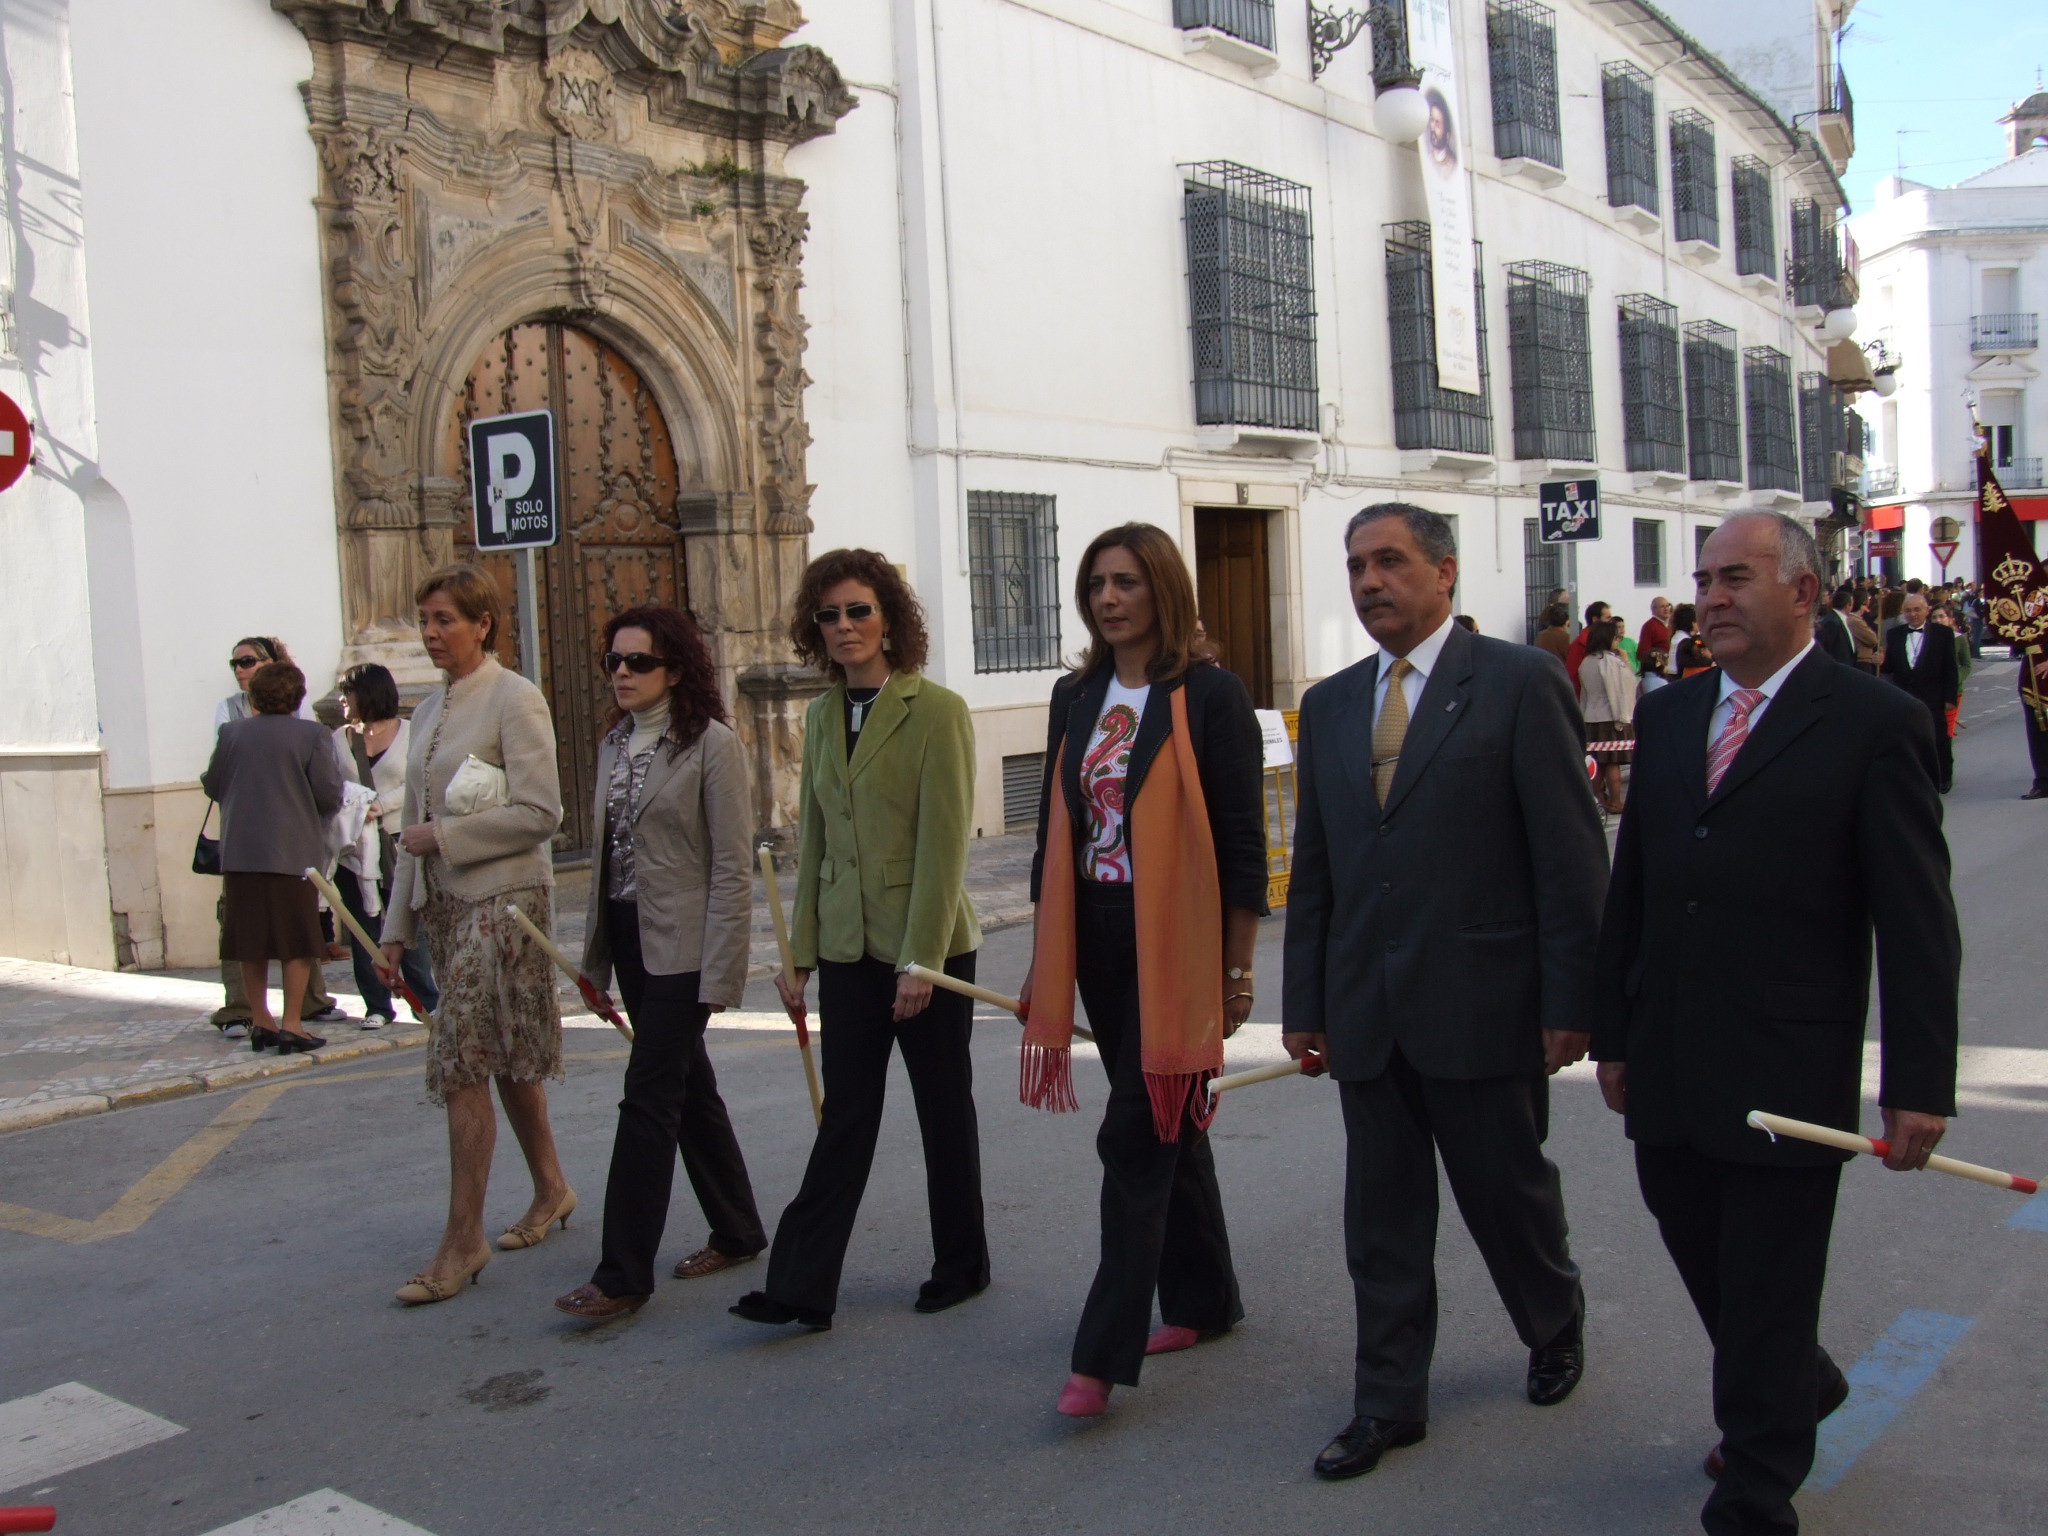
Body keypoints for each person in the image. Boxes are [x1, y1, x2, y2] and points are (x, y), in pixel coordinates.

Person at [1592, 512, 1958, 1536]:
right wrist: (1610, 1030)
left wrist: (1919, 1081)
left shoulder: (1871, 722)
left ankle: (1754, 1489)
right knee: (1697, 1244)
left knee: (1764, 1282)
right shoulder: (1669, 717)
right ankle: (1798, 1381)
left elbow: (1915, 918)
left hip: (1785, 1066)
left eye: (1734, 578)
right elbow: (1636, 890)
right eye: (1702, 580)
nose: (1709, 598)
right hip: (1665, 1053)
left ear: (1801, 593)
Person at [1282, 503, 1607, 1481]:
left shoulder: (1514, 684)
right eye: (1354, 566)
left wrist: (1571, 999)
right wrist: (1303, 1006)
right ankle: (1387, 1402)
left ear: (1444, 573)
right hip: (1365, 1013)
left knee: (1504, 1194)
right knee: (1378, 1221)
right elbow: (1318, 873)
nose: (1369, 581)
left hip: (1483, 1002)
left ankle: (1549, 1314)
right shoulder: (1332, 703)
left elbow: (1566, 855)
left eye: (1388, 562)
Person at [1013, 523, 1267, 1419]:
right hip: (1099, 934)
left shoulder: (1210, 695)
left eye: (1125, 582)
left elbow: (1243, 847)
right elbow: (1058, 834)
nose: (1108, 599)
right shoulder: (1074, 696)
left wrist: (1236, 974)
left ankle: (1100, 1354)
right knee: (1168, 1122)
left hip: (1180, 938)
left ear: (1164, 590)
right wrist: (1047, 964)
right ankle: (1205, 1300)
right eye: (1096, 585)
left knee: (1135, 1133)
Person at [732, 549, 986, 1332]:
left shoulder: (936, 711)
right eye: (830, 615)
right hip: (846, 949)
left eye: (859, 612)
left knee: (943, 1109)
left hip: (926, 946)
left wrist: (922, 961)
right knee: (847, 1113)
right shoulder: (817, 714)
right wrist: (798, 952)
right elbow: (812, 841)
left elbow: (945, 849)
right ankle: (801, 1287)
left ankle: (963, 1264)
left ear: (890, 620)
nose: (844, 628)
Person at [555, 606, 767, 1322]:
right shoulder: (614, 744)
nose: (621, 673)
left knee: (647, 1099)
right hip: (629, 937)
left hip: (683, 948)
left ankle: (622, 1274)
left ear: (675, 670)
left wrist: (720, 974)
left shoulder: (711, 746)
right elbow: (605, 860)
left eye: (638, 662)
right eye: (612, 661)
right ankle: (738, 1228)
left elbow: (733, 870)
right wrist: (594, 964)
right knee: (689, 1087)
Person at [378, 565, 573, 1306]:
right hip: (447, 908)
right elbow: (408, 834)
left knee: (463, 1061)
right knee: (507, 1057)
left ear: (482, 623)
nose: (431, 633)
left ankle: (463, 1240)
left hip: (506, 902)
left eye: (444, 620)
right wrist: (396, 928)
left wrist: (447, 836)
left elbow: (541, 812)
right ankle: (552, 1186)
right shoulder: (427, 711)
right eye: (425, 619)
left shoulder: (515, 698)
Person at [200, 660, 345, 1053]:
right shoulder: (313, 735)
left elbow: (212, 784)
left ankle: (261, 1020)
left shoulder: (232, 733)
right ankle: (292, 1023)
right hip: (293, 852)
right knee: (296, 941)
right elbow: (330, 794)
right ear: (297, 696)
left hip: (242, 852)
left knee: (251, 940)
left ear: (254, 696)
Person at [333, 664, 438, 1028]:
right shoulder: (338, 739)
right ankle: (377, 1005)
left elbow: (419, 783)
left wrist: (379, 805)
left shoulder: (411, 733)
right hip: (357, 849)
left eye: (347, 692)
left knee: (409, 924)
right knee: (364, 926)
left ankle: (425, 998)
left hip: (397, 842)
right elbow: (333, 786)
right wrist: (356, 807)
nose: (341, 700)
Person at [1881, 592, 1960, 794]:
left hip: (1934, 695)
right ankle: (1914, 777)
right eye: (1908, 610)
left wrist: (1950, 698)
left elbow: (1951, 667)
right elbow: (1890, 666)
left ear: (1926, 611)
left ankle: (1944, 776)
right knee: (1909, 739)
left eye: (1917, 610)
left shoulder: (1943, 634)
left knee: (1939, 738)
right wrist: (1880, 661)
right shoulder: (1895, 634)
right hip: (1906, 695)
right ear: (1903, 612)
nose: (1913, 614)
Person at [1579, 620, 1637, 816]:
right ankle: (1615, 800)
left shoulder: (1586, 661)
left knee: (1597, 761)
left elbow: (1584, 693)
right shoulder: (1610, 662)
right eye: (1616, 637)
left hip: (1591, 716)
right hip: (1611, 717)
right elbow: (1618, 691)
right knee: (1612, 762)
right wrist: (1623, 717)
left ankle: (1598, 797)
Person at [1565, 600, 1611, 692]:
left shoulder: (1608, 641)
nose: (1611, 622)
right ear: (1595, 619)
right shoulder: (1580, 644)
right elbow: (1573, 675)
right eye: (1608, 618)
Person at [1639, 598, 1674, 691]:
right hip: (1658, 673)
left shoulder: (1670, 625)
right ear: (1654, 609)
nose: (1666, 609)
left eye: (1668, 606)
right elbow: (1643, 652)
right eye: (1662, 606)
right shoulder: (1649, 626)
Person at [1814, 587, 1856, 665]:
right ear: (1847, 605)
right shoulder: (1832, 622)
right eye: (1852, 604)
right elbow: (1825, 647)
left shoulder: (1839, 619)